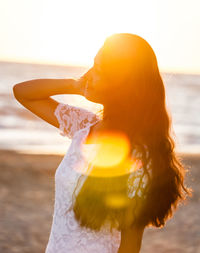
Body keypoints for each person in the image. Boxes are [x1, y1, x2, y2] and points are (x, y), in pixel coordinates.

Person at [13, 33, 190, 253]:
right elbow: (22, 92)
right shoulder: (83, 126)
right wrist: (75, 85)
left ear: (119, 82)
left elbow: (130, 245)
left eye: (97, 68)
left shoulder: (139, 157)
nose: (89, 74)